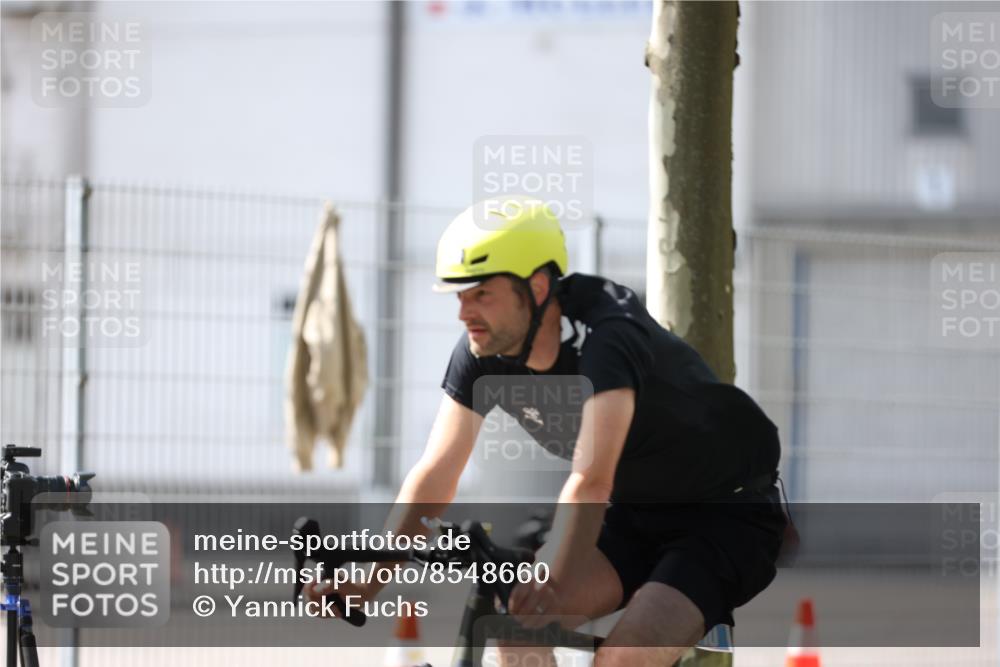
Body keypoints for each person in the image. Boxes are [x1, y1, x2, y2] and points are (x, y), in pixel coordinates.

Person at [307, 198, 787, 666]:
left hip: (724, 517)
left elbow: (591, 478)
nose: (463, 313)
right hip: (631, 512)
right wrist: (367, 582)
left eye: (481, 294)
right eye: (459, 295)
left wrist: (549, 575)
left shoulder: (607, 332)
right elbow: (435, 474)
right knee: (515, 628)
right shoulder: (483, 350)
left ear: (536, 287)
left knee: (622, 658)